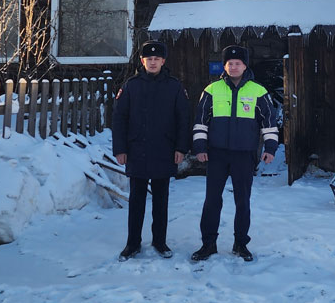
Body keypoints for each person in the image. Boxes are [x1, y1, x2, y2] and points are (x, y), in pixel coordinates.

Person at [191, 45, 279, 262]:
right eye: (229, 63)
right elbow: (201, 121)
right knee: (212, 200)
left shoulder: (258, 91)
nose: (233, 67)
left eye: (237, 63)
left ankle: (241, 244)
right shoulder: (212, 90)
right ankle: (208, 244)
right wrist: (200, 148)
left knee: (243, 201)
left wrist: (270, 148)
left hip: (244, 155)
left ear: (245, 65)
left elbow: (269, 123)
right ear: (224, 66)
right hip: (217, 154)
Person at [112, 40, 191, 262]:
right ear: (142, 61)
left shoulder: (174, 86)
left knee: (161, 201)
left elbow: (183, 120)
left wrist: (181, 148)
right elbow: (119, 119)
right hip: (136, 151)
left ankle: (159, 241)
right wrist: (120, 149)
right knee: (136, 201)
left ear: (163, 61)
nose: (153, 62)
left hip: (164, 151)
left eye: (157, 59)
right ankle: (132, 243)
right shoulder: (131, 86)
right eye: (149, 59)